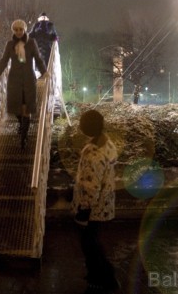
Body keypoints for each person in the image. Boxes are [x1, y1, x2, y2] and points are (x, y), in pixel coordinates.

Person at [72, 109, 120, 292]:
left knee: (89, 243)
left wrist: (84, 209)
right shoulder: (105, 143)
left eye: (82, 123)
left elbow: (91, 185)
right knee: (92, 241)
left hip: (93, 208)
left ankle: (101, 278)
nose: (80, 126)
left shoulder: (94, 153)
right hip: (104, 204)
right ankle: (103, 274)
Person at [0, 19, 47, 148]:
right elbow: (4, 60)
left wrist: (44, 71)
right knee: (17, 108)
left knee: (26, 109)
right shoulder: (10, 44)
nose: (19, 32)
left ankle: (24, 138)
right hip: (14, 80)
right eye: (16, 29)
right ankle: (22, 125)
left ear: (24, 29)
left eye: (21, 29)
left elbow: (38, 58)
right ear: (13, 31)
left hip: (28, 80)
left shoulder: (31, 43)